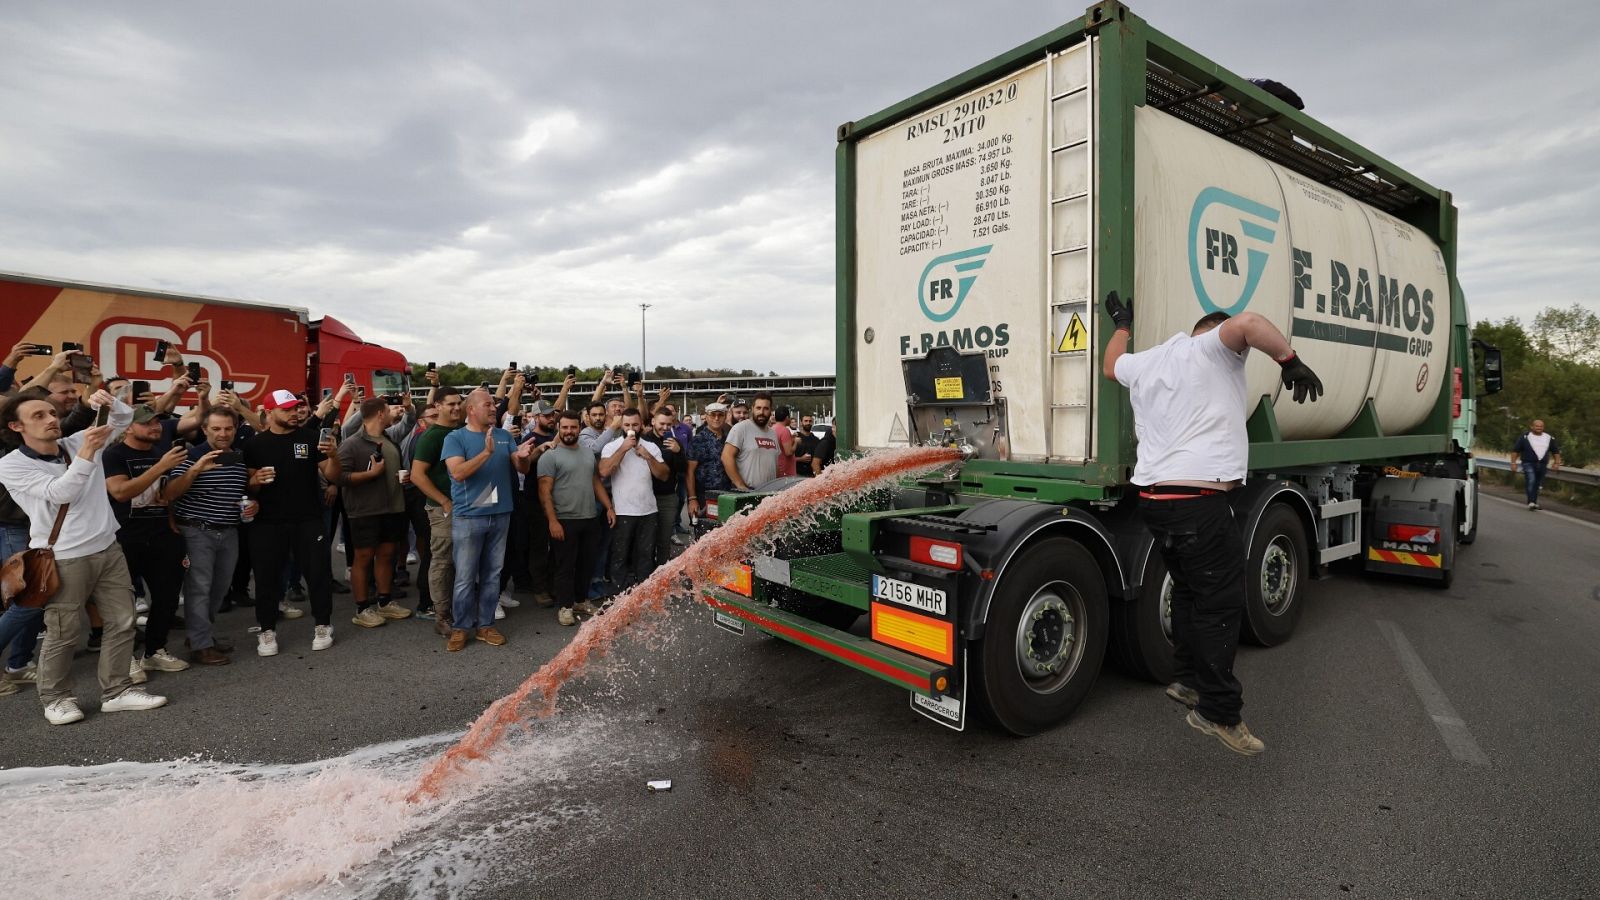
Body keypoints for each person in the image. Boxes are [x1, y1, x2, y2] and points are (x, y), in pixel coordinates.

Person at [1100, 291, 1323, 757]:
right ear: (1218, 335)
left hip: (1155, 501)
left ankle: (1185, 679)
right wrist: (1289, 360)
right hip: (1197, 502)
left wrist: (1122, 323)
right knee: (1221, 602)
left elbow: (1110, 365)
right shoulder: (1214, 347)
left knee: (1187, 590)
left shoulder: (1148, 362)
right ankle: (1218, 712)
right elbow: (1249, 321)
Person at [0, 387, 168, 725]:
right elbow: (61, 492)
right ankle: (56, 699)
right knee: (63, 631)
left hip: (108, 547)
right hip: (62, 556)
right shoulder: (10, 465)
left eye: (51, 413)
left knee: (122, 621)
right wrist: (88, 451)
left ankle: (117, 692)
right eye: (39, 416)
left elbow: (123, 418)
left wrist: (108, 403)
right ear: (16, 427)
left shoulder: (75, 443)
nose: (51, 419)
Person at [244, 388, 342, 657]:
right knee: (266, 578)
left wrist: (333, 455)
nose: (295, 413)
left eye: (296, 408)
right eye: (286, 409)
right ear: (269, 412)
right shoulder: (254, 444)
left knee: (318, 573)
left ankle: (323, 624)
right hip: (267, 522)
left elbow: (333, 475)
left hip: (308, 518)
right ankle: (266, 630)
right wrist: (256, 480)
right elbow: (248, 485)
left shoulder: (311, 438)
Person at [162, 407, 258, 666]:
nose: (223, 434)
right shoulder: (190, 456)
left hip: (229, 532)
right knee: (199, 589)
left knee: (218, 589)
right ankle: (201, 645)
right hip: (196, 531)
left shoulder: (238, 458)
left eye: (228, 428)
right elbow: (170, 493)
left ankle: (200, 636)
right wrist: (195, 470)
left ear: (236, 429)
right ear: (204, 429)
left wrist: (251, 504)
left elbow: (239, 495)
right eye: (216, 428)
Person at [441, 389, 534, 651]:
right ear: (471, 409)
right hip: (469, 517)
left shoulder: (505, 436)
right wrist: (485, 453)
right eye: (488, 404)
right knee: (465, 577)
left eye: (494, 404)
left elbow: (520, 468)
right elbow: (458, 473)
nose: (494, 408)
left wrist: (523, 459)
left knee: (493, 574)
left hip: (501, 514)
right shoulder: (455, 438)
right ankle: (460, 628)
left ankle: (485, 625)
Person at [102, 404, 191, 675]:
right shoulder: (113, 455)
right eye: (147, 423)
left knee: (166, 597)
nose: (156, 427)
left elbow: (165, 496)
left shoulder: (160, 453)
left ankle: (154, 651)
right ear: (127, 427)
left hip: (162, 534)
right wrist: (161, 467)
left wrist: (173, 523)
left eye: (157, 422)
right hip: (124, 536)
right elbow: (120, 492)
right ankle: (124, 658)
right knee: (122, 604)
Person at [337, 397, 414, 627]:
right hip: (365, 511)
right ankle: (362, 608)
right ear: (380, 413)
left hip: (392, 508)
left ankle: (385, 601)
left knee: (387, 555)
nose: (393, 412)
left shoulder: (389, 438)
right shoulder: (352, 443)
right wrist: (369, 475)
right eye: (389, 409)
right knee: (362, 558)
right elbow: (338, 477)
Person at [539, 410, 614, 626]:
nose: (569, 431)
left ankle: (581, 600)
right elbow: (544, 492)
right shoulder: (549, 456)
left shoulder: (587, 453)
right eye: (565, 427)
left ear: (579, 429)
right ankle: (565, 606)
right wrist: (552, 521)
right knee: (565, 566)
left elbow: (595, 482)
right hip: (564, 520)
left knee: (586, 564)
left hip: (590, 517)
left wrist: (609, 507)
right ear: (559, 429)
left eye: (573, 427)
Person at [410, 388, 465, 634]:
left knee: (462, 563)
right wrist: (444, 501)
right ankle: (442, 616)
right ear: (438, 406)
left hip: (467, 509)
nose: (456, 408)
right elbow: (417, 475)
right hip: (443, 511)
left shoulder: (463, 430)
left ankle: (457, 610)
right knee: (442, 562)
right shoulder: (432, 436)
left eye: (459, 403)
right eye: (450, 404)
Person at [599, 408, 669, 593]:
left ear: (642, 425)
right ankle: (618, 594)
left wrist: (648, 456)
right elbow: (604, 471)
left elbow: (663, 475)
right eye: (627, 425)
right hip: (623, 510)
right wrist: (623, 448)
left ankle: (643, 593)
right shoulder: (612, 446)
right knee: (620, 555)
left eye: (635, 425)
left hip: (648, 510)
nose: (631, 428)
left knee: (646, 554)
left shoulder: (650, 447)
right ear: (621, 426)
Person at [645, 409, 687, 565]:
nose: (665, 427)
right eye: (662, 423)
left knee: (664, 538)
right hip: (646, 496)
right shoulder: (644, 440)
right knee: (646, 540)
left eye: (668, 424)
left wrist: (677, 452)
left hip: (668, 496)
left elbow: (682, 469)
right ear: (653, 421)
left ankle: (662, 570)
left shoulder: (675, 442)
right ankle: (645, 573)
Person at [721, 392, 780, 491]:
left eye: (766, 408)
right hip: (749, 492)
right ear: (752, 409)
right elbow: (726, 457)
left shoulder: (773, 433)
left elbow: (775, 464)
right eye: (758, 408)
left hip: (769, 493)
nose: (761, 412)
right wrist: (740, 485)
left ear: (770, 411)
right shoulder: (741, 428)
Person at [686, 401, 732, 521]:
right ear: (706, 417)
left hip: (726, 495)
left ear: (725, 416)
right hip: (703, 496)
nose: (716, 418)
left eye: (720, 415)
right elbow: (689, 471)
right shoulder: (698, 440)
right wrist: (692, 499)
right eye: (713, 415)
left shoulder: (729, 439)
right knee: (702, 533)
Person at [1510, 420, 1562, 510]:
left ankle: (1533, 502)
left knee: (1537, 483)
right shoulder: (1525, 437)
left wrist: (1557, 463)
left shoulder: (1548, 438)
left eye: (1541, 426)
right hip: (1528, 463)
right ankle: (1531, 502)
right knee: (1531, 480)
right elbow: (1515, 451)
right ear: (1532, 427)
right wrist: (1513, 463)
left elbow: (1555, 451)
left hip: (1542, 464)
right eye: (1537, 426)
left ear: (1543, 427)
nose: (1539, 428)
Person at [771, 406, 798, 478]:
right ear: (787, 418)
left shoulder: (772, 429)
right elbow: (788, 452)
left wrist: (791, 438)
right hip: (786, 471)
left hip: (776, 468)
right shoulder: (784, 430)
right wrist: (796, 442)